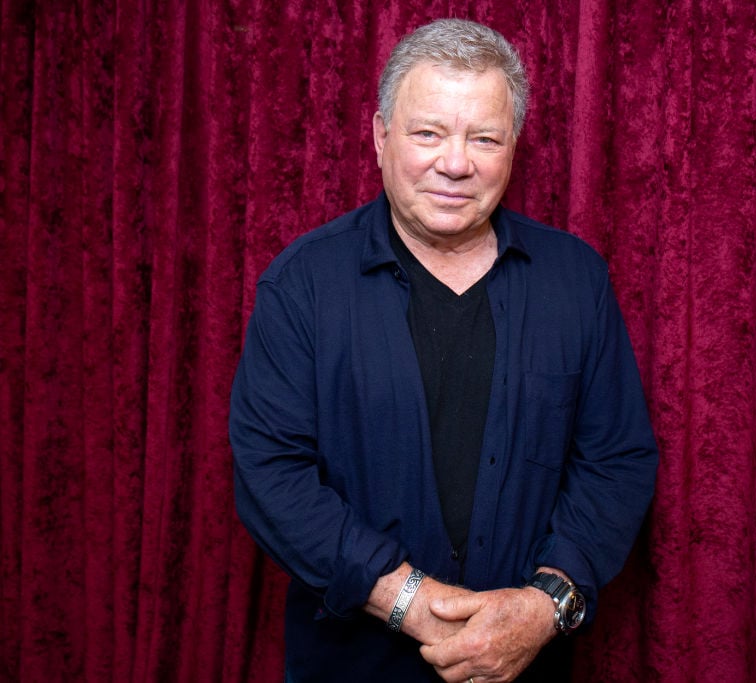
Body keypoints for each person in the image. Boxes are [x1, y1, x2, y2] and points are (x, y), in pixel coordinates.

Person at [230, 18, 658, 682]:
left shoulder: (576, 280)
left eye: (483, 138)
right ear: (380, 137)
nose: (455, 162)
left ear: (513, 146)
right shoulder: (302, 285)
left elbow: (617, 460)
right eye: (428, 132)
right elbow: (270, 475)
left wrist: (542, 606)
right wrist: (412, 602)